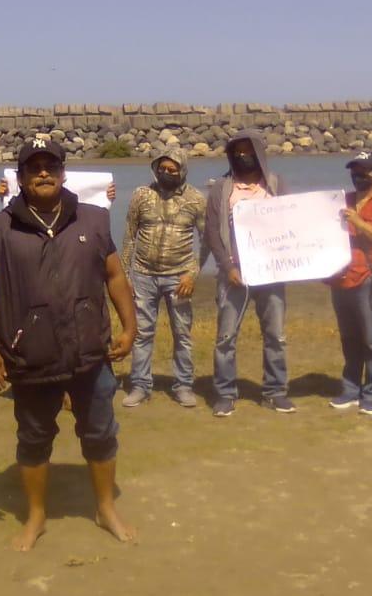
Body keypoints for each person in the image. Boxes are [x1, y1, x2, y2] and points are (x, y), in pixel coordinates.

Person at [0, 136, 137, 551]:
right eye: (34, 167)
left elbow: (114, 275)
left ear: (63, 173)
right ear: (21, 176)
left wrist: (129, 326)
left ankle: (105, 508)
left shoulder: (94, 220)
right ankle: (36, 516)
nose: (43, 172)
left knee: (100, 433)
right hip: (31, 356)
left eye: (51, 165)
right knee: (33, 438)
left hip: (89, 351)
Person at [204, 130, 292, 416]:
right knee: (226, 338)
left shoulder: (276, 184)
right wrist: (227, 267)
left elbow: (294, 223)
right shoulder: (222, 188)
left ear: (259, 154)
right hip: (235, 275)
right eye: (237, 154)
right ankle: (225, 393)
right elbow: (212, 234)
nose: (243, 158)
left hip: (271, 273)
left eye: (248, 153)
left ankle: (275, 391)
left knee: (276, 335)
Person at [119, 146, 207, 408]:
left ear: (182, 170)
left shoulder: (195, 200)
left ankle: (183, 385)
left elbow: (207, 242)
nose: (166, 173)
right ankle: (140, 385)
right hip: (144, 275)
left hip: (179, 277)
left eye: (172, 169)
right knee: (142, 333)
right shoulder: (141, 195)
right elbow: (129, 236)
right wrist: (126, 275)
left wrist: (192, 274)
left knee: (182, 333)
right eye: (162, 168)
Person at [326, 151, 372, 415]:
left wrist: (359, 223)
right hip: (341, 279)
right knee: (349, 339)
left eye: (363, 172)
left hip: (370, 278)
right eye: (354, 171)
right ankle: (350, 389)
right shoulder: (342, 200)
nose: (357, 176)